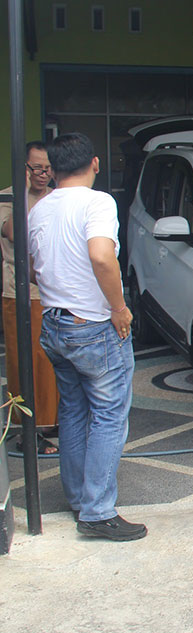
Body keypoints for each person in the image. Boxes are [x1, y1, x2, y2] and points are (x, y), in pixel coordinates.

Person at [29, 132, 145, 541]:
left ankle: (79, 499)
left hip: (54, 322)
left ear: (53, 169)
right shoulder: (98, 202)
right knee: (110, 416)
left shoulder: (40, 209)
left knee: (74, 412)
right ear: (95, 163)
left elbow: (31, 269)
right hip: (93, 325)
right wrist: (119, 308)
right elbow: (101, 255)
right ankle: (97, 511)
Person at [0, 141, 59, 454]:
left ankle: (48, 425)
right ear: (23, 168)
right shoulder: (9, 197)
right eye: (36, 168)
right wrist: (26, 193)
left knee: (50, 363)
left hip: (53, 294)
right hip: (20, 294)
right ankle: (27, 431)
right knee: (23, 363)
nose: (43, 174)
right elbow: (10, 231)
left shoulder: (56, 196)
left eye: (48, 168)